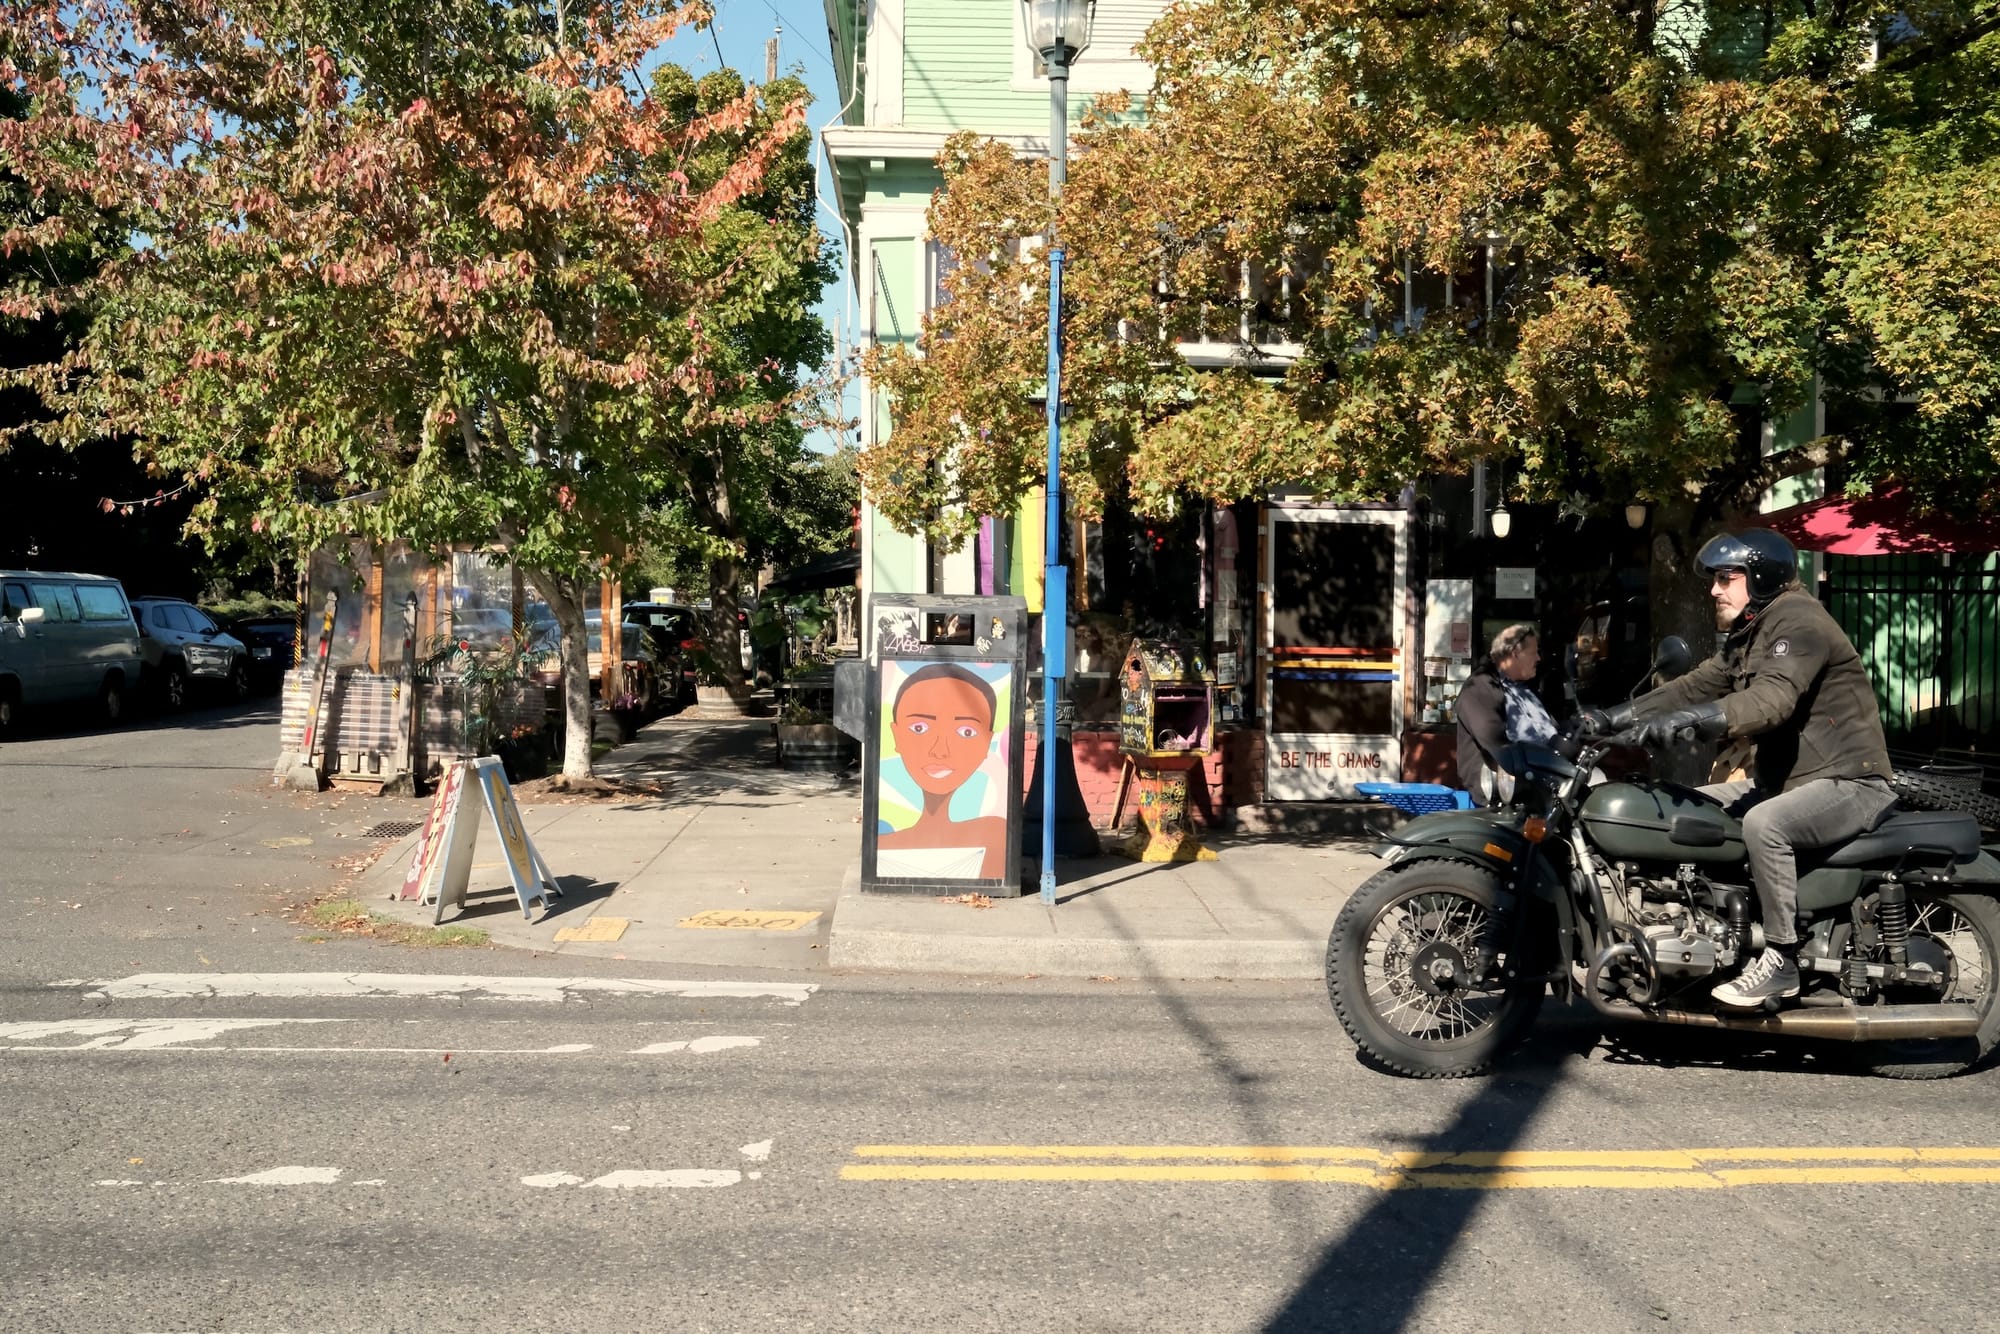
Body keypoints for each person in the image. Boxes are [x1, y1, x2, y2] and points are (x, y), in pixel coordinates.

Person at [1582, 528, 1895, 1009]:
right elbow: (1693, 686)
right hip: (1789, 782)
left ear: (1762, 577)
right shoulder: (1752, 632)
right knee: (1685, 815)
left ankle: (1781, 958)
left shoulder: (1799, 622)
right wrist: (1610, 718)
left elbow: (1772, 700)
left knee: (1764, 824)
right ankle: (1705, 941)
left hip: (1849, 779)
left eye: (1726, 578)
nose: (1714, 589)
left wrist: (1696, 722)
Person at [876, 663, 1010, 880]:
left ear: (987, 742)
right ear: (896, 734)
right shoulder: (881, 844)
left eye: (966, 732)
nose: (940, 751)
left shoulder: (994, 832)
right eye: (919, 728)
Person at [1455, 624, 1559, 806]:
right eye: (1534, 652)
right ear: (1514, 654)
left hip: (1546, 778)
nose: (1538, 658)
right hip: (1508, 791)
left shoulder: (1525, 688)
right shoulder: (1481, 688)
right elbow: (1497, 746)